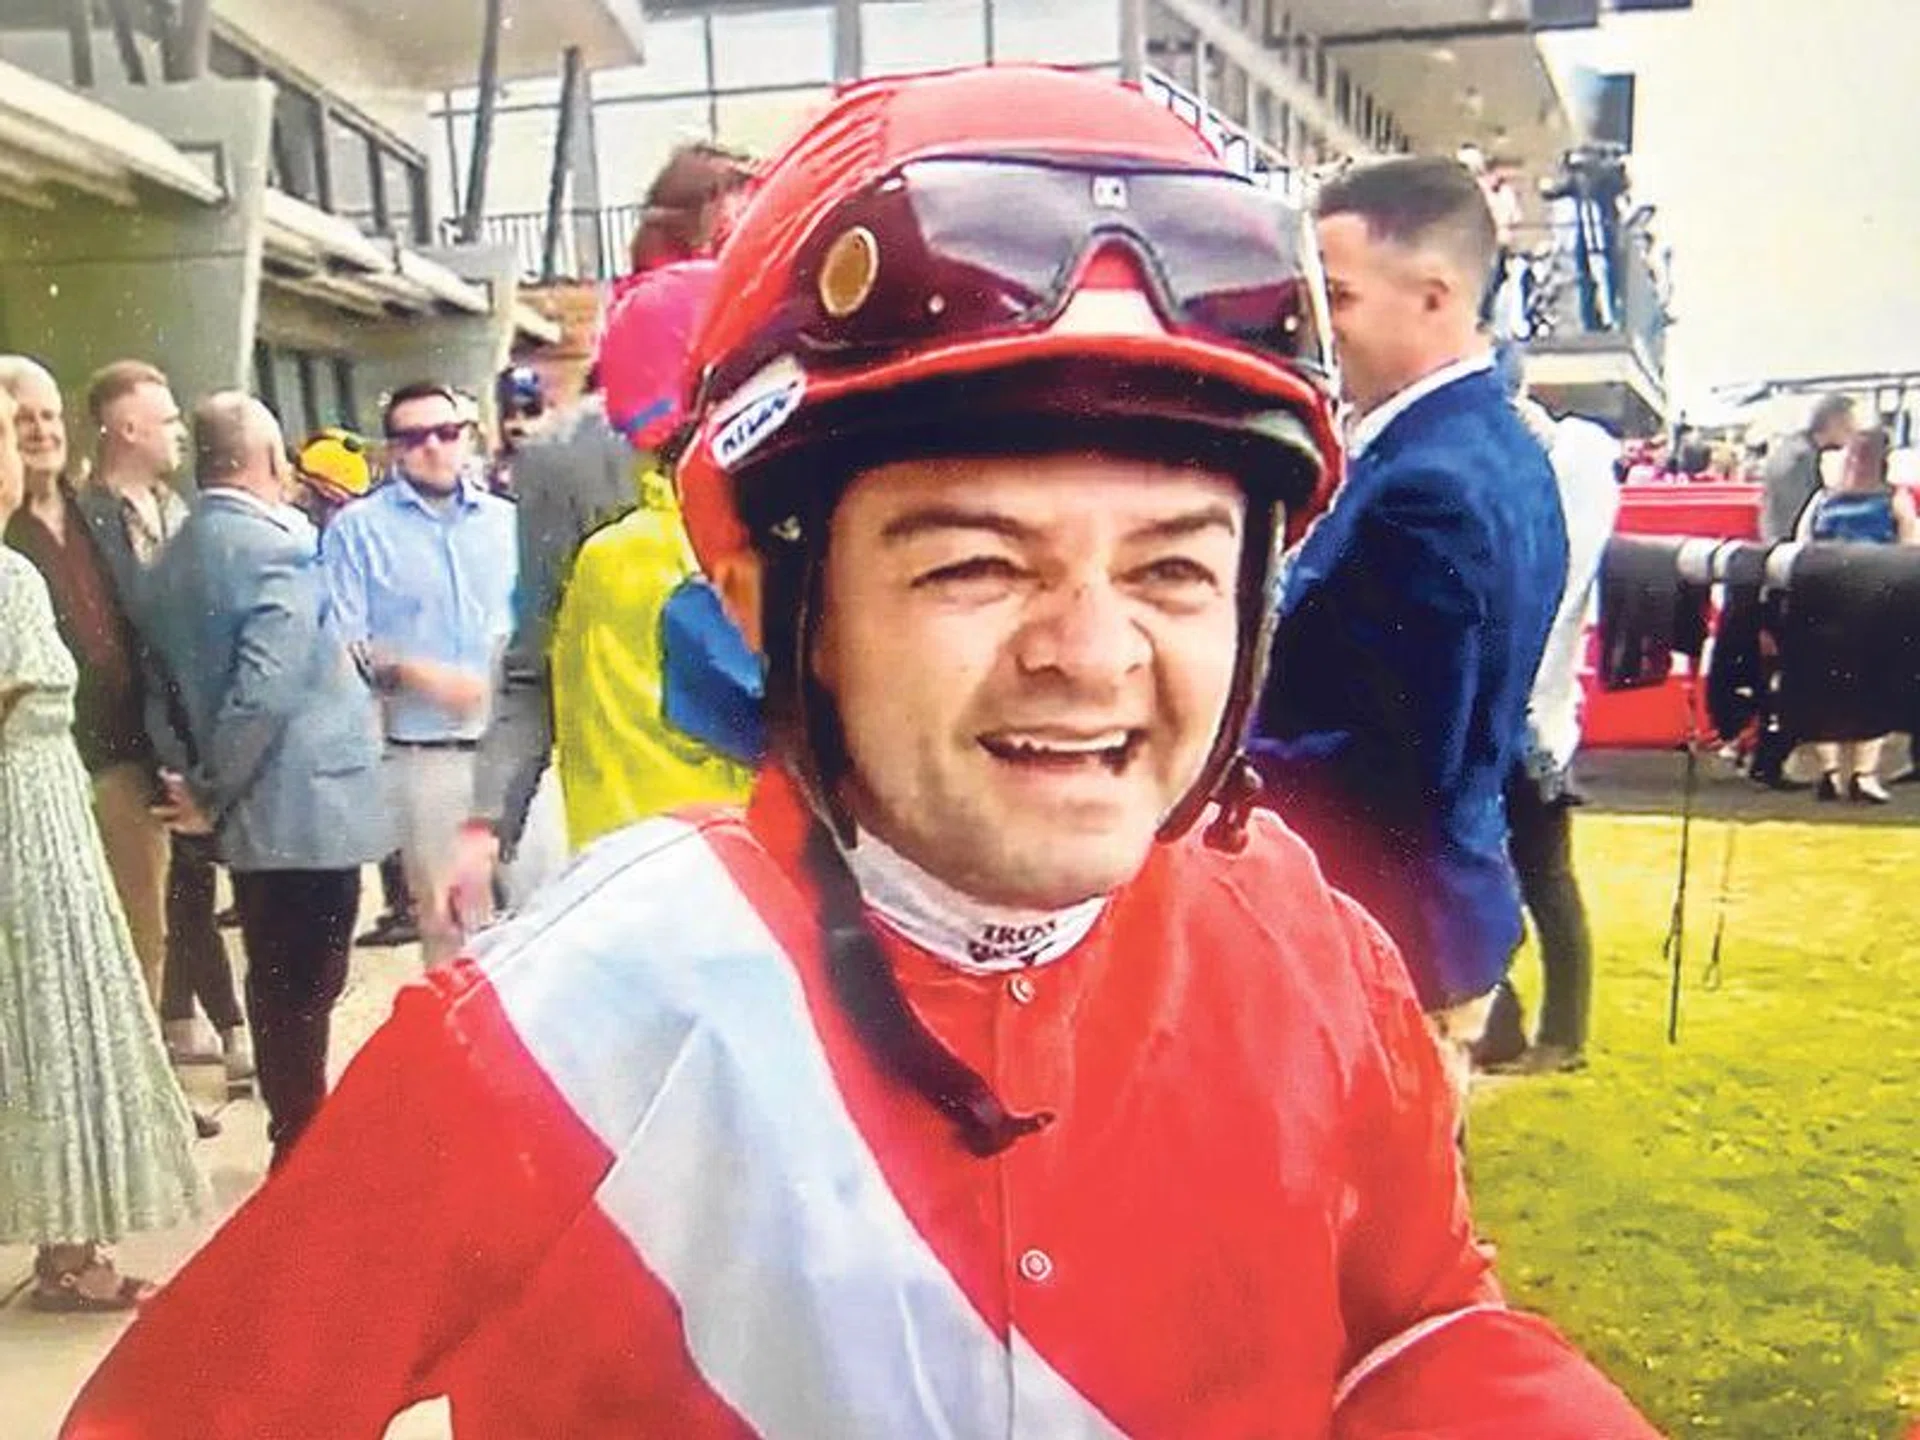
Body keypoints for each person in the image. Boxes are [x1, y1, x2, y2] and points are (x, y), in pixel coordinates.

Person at [65, 68, 1654, 1438]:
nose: (1093, 654)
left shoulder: (1307, 942)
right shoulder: (571, 1015)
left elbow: (1422, 1319)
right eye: (974, 564)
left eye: (1175, 567)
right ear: (774, 597)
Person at [1250, 155, 1568, 1099]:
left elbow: (1396, 766)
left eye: (1336, 295)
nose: (1314, 325)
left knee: (1365, 1227)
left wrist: (1204, 775)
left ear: (1435, 296)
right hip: (1423, 914)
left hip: (1382, 926)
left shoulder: (1428, 487)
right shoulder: (1495, 451)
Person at [457, 149, 755, 915]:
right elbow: (536, 656)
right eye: (740, 234)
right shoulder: (575, 460)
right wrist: (488, 819)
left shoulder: (824, 427)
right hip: (653, 854)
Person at [141, 394, 393, 1167]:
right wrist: (212, 785)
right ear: (271, 462)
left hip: (253, 815)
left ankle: (299, 1132)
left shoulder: (173, 556)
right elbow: (267, 687)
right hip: (304, 807)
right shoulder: (279, 548)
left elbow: (162, 687)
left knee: (280, 977)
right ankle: (302, 1144)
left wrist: (193, 783)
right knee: (307, 982)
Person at [0, 379, 204, 1312]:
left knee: (63, 1018)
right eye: (11, 429)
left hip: (61, 811)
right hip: (29, 821)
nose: (24, 446)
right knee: (49, 1022)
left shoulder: (50, 549)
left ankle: (68, 1240)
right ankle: (68, 1246)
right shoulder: (8, 573)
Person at [322, 381, 517, 968]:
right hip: (425, 756)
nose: (433, 447)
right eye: (414, 437)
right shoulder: (356, 531)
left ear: (468, 437)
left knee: (535, 917)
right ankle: (457, 1054)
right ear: (394, 451)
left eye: (446, 432)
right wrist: (411, 671)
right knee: (447, 921)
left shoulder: (508, 524)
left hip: (514, 749)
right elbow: (343, 647)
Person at [1485, 395, 1622, 1074]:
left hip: (1524, 724)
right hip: (1538, 721)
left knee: (1530, 877)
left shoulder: (1551, 520)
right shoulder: (1578, 499)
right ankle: (1535, 1030)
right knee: (1535, 879)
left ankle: (1544, 1034)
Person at [1796, 426, 1919, 803]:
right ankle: (1864, 775)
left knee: (1825, 688)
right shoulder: (1893, 499)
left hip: (1825, 599)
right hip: (1876, 601)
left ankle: (1831, 772)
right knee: (1874, 687)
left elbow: (1801, 544)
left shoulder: (1823, 499)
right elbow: (1911, 545)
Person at [1761, 392, 1857, 543]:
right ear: (1834, 422)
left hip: (1777, 544)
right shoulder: (1804, 459)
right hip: (1793, 551)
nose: (1853, 431)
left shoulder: (1790, 448)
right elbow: (1802, 518)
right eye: (1850, 423)